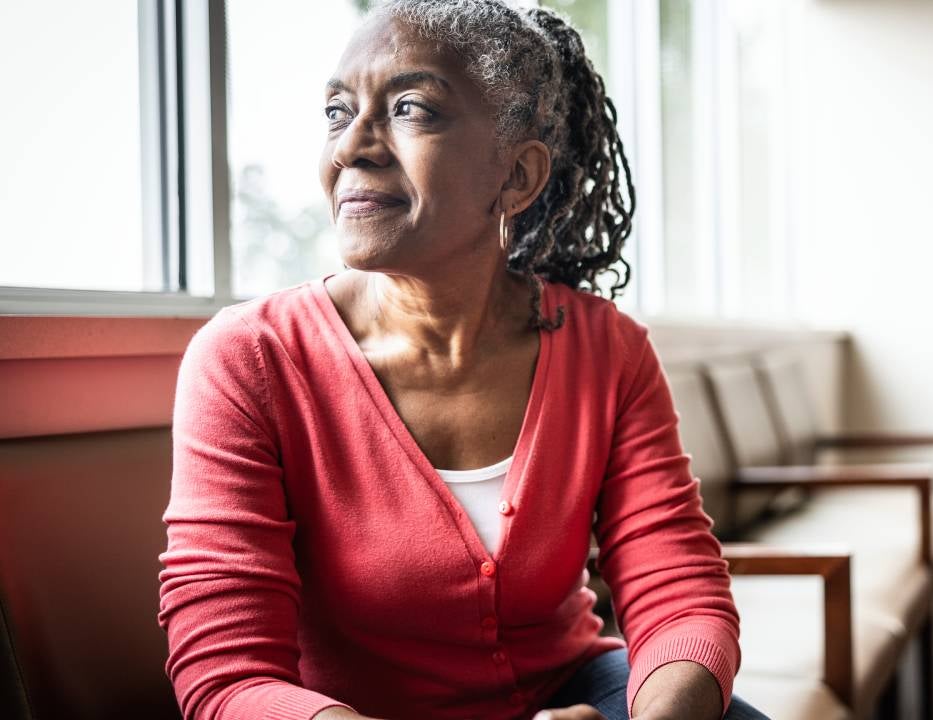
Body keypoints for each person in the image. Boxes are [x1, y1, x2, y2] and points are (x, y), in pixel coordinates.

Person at [156, 2, 770, 719]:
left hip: (574, 694)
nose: (351, 146)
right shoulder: (248, 359)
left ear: (515, 176)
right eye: (336, 111)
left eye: (410, 108)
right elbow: (223, 674)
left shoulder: (607, 350)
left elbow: (678, 593)